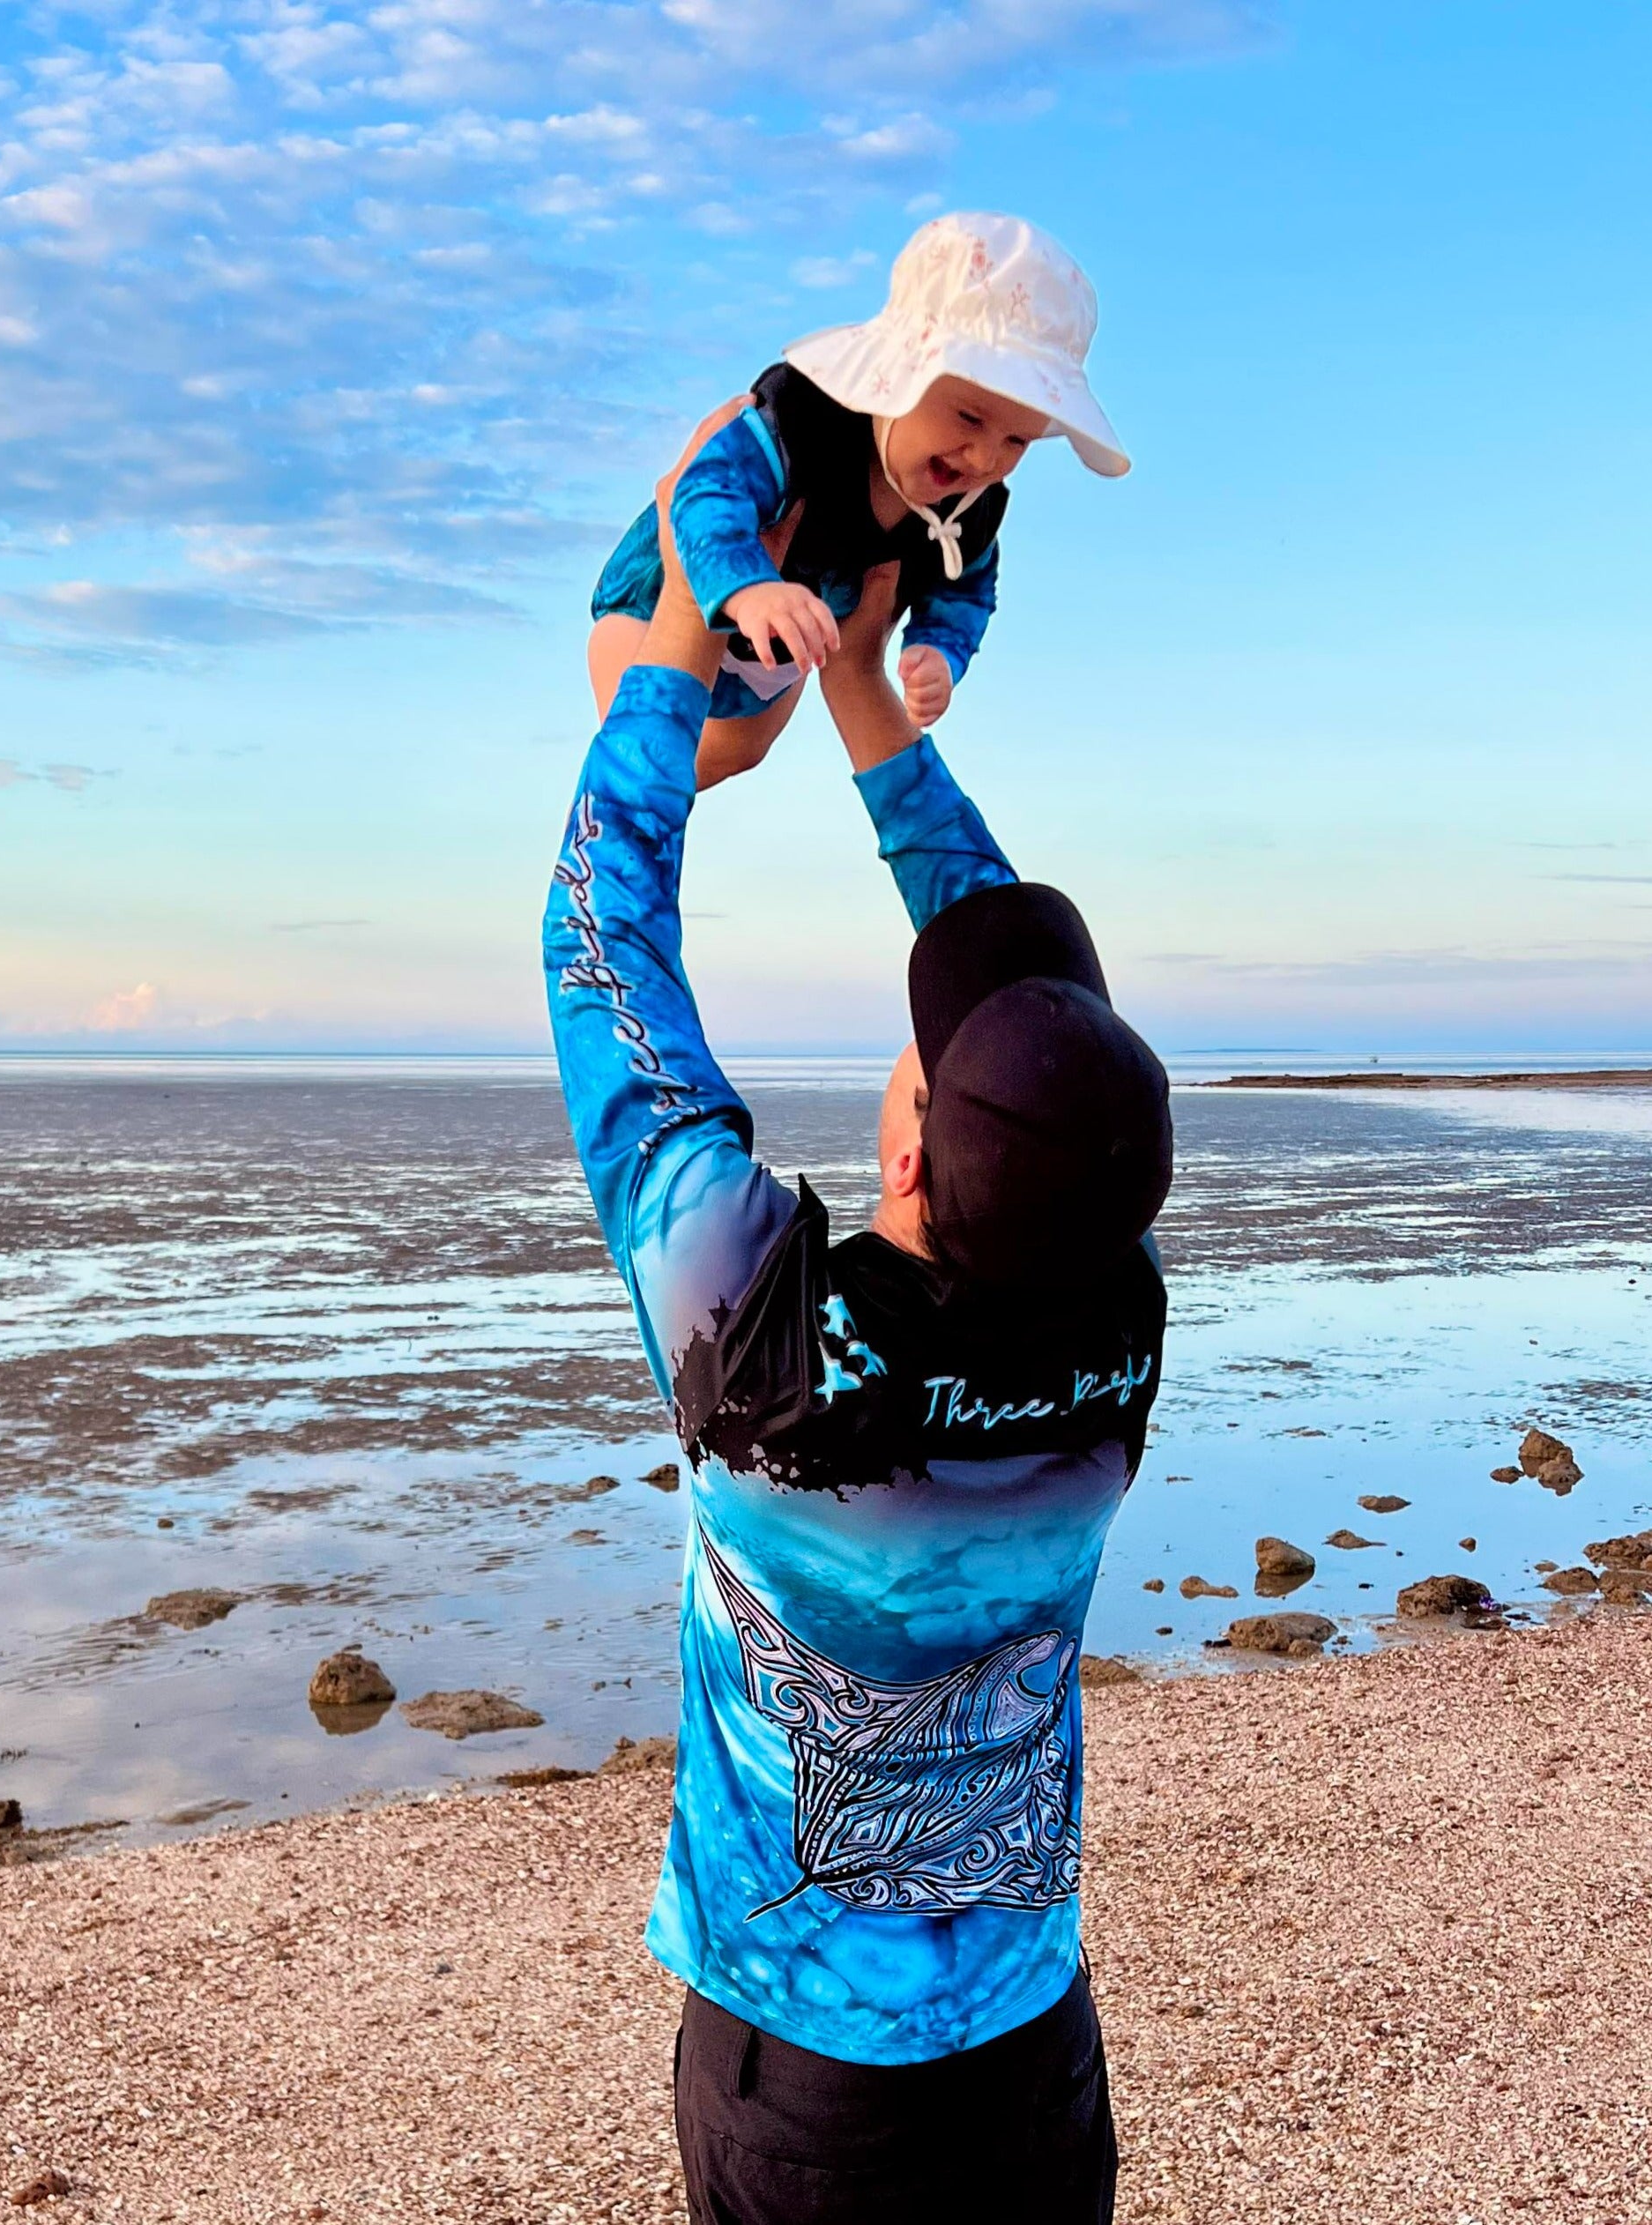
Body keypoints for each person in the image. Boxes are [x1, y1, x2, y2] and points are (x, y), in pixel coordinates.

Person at [544, 429, 1172, 2222]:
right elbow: (1015, 989)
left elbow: (598, 946)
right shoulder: (1113, 1324)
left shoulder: (762, 1341)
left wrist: (682, 634)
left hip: (806, 2071)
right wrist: (875, 712)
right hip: (1028, 2030)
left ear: (905, 1139)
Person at [586, 210, 1131, 792]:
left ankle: (657, 788)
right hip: (657, 605)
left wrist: (938, 652)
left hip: (780, 656)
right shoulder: (800, 430)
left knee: (736, 752)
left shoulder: (966, 513)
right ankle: (628, 800)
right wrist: (748, 588)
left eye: (1017, 439)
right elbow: (704, 492)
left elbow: (966, 587)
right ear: (896, 376)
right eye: (969, 416)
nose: (984, 457)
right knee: (648, 758)